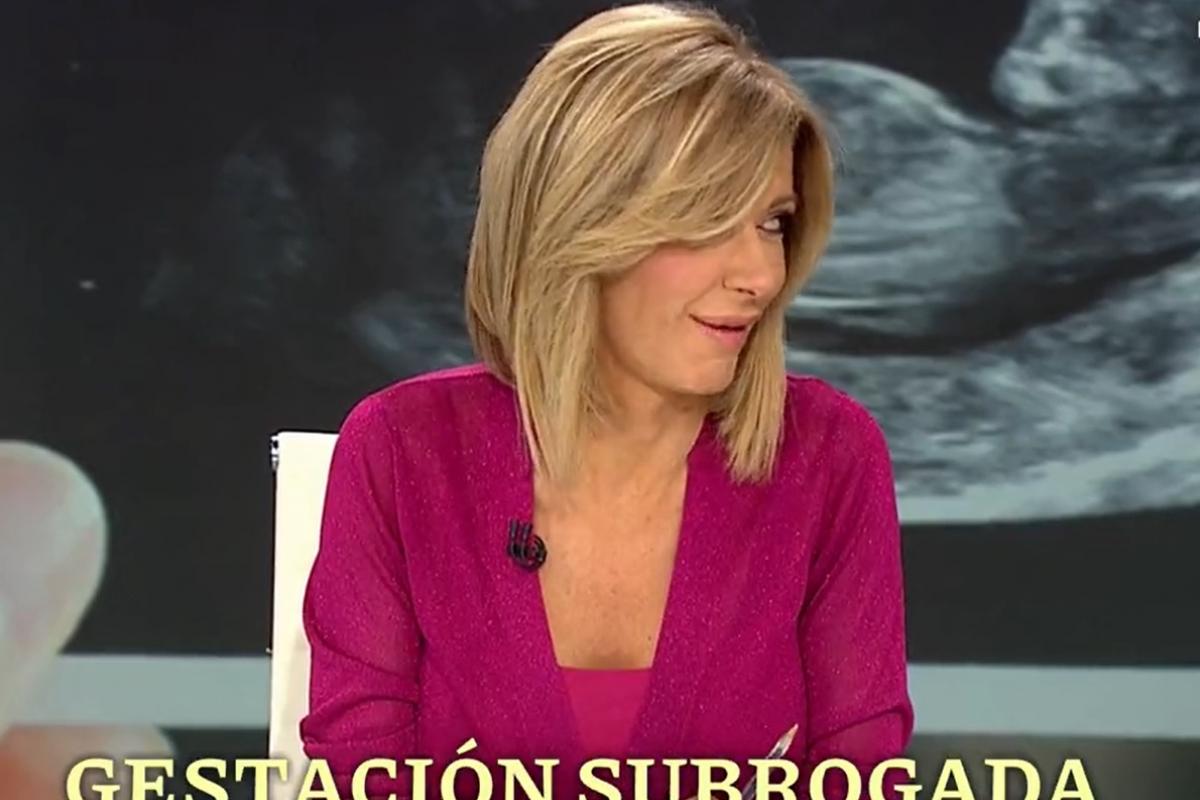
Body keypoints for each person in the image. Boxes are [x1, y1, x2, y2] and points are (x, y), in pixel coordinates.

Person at [300, 3, 914, 799]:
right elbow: (363, 776)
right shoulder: (402, 450)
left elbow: (859, 777)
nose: (761, 275)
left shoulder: (827, 456)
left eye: (772, 223)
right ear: (579, 223)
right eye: (708, 221)